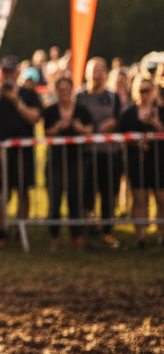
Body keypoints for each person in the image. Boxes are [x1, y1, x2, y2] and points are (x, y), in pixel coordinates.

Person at [0, 56, 42, 247]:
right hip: (0, 154)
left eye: (11, 71)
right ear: (0, 73)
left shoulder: (29, 94)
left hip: (23, 152)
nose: (8, 75)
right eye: (4, 72)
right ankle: (2, 232)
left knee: (23, 191)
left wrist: (16, 101)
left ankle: (20, 231)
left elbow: (34, 118)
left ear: (17, 73)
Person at [42, 76, 94, 249]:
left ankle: (77, 236)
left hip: (76, 159)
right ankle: (54, 236)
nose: (64, 93)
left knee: (75, 198)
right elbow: (46, 133)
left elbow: (90, 129)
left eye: (67, 89)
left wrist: (80, 128)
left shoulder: (81, 110)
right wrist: (57, 128)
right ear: (56, 91)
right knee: (54, 199)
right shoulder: (50, 111)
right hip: (55, 160)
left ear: (72, 90)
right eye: (61, 89)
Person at [76, 57, 122, 248]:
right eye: (94, 70)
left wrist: (111, 124)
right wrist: (93, 128)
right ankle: (88, 226)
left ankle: (107, 231)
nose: (98, 74)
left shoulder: (113, 97)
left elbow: (119, 118)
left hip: (109, 153)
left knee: (109, 192)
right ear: (87, 74)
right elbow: (77, 119)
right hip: (87, 153)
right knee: (87, 192)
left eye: (102, 69)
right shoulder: (80, 96)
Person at [120, 77, 164, 248]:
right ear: (135, 91)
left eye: (148, 90)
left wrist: (156, 124)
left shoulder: (160, 110)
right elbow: (121, 136)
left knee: (161, 198)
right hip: (136, 161)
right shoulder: (129, 112)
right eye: (142, 90)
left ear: (153, 91)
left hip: (159, 160)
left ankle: (161, 233)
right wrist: (136, 141)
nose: (145, 94)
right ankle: (140, 237)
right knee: (139, 199)